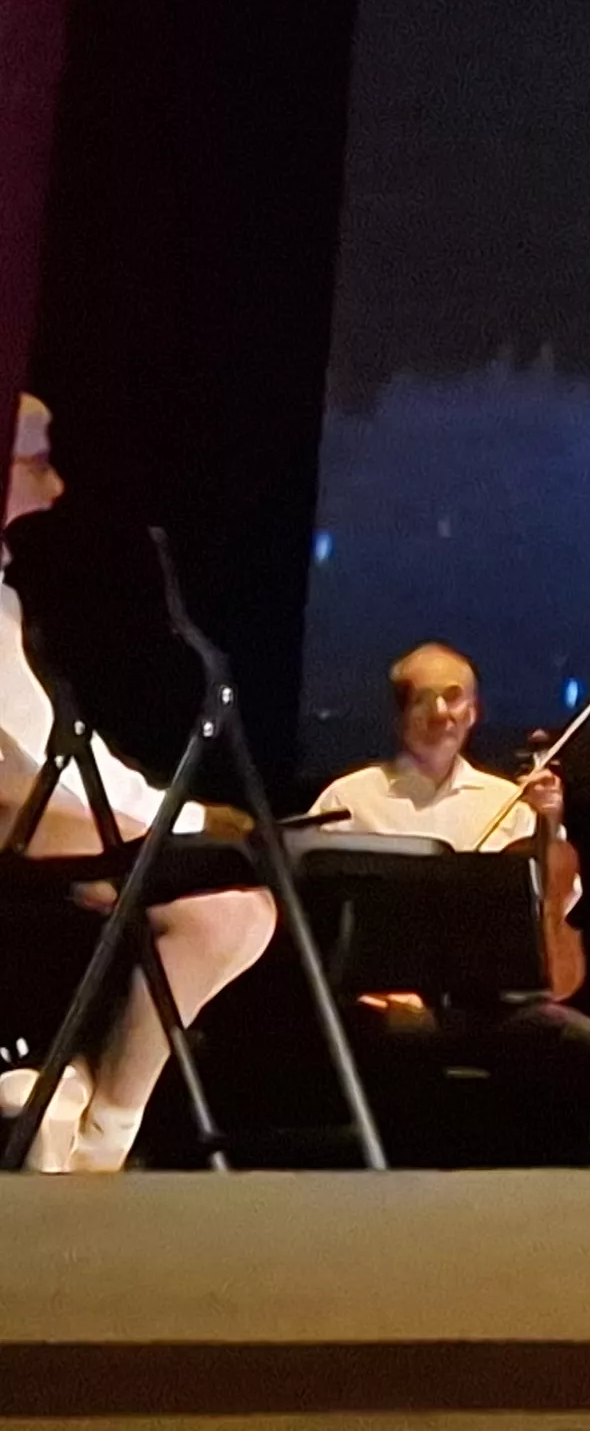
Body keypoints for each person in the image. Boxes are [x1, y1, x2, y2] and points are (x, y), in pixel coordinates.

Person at [0, 393, 277, 1171]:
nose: (56, 491)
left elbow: (65, 753)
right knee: (218, 900)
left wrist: (185, 822)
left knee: (238, 910)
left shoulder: (10, 605)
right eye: (40, 463)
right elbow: (14, 778)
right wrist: (147, 837)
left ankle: (100, 1124)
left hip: (55, 822)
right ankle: (71, 1114)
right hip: (22, 834)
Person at [308, 642, 590, 1161]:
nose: (439, 714)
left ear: (472, 713)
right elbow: (313, 915)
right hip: (389, 1000)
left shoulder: (509, 801)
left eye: (453, 699)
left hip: (491, 1006)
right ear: (400, 714)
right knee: (392, 1041)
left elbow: (553, 910)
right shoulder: (348, 800)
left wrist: (548, 822)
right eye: (422, 701)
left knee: (587, 1045)